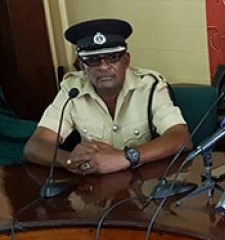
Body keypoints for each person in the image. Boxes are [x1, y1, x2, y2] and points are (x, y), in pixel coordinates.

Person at [24, 18, 189, 175]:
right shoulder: (72, 90)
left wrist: (126, 158)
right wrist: (71, 160)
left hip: (144, 183)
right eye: (93, 60)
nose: (103, 67)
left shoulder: (149, 86)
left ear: (126, 60)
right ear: (82, 66)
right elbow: (34, 146)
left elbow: (181, 138)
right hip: (95, 188)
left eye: (112, 57)